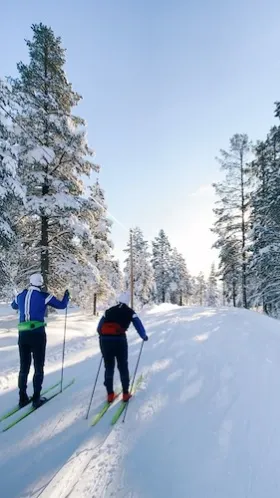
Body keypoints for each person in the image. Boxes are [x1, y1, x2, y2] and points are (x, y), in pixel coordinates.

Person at [11, 273, 69, 409]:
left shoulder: (20, 295)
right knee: (38, 366)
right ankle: (36, 398)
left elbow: (14, 306)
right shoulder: (44, 296)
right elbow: (61, 305)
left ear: (30, 282)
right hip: (37, 334)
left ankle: (22, 398)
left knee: (24, 366)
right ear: (41, 283)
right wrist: (66, 296)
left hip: (23, 335)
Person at [97, 291, 148, 403]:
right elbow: (138, 324)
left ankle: (110, 394)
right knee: (123, 366)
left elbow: (99, 328)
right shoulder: (130, 312)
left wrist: (104, 339)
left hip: (105, 341)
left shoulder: (108, 311)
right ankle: (125, 393)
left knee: (109, 367)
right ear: (127, 301)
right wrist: (143, 336)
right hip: (120, 341)